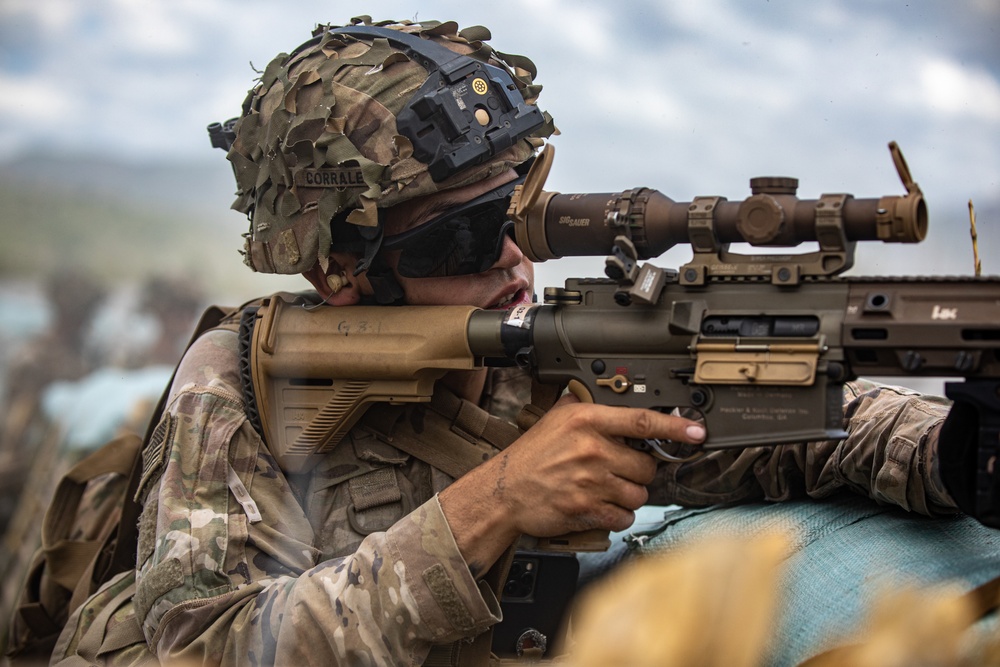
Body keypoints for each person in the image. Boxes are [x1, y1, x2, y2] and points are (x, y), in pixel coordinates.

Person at [48, 17, 970, 666]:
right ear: (340, 268)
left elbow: (767, 427)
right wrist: (493, 503)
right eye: (459, 236)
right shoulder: (240, 380)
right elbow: (208, 648)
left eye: (524, 215)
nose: (511, 259)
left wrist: (950, 451)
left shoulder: (529, 346)